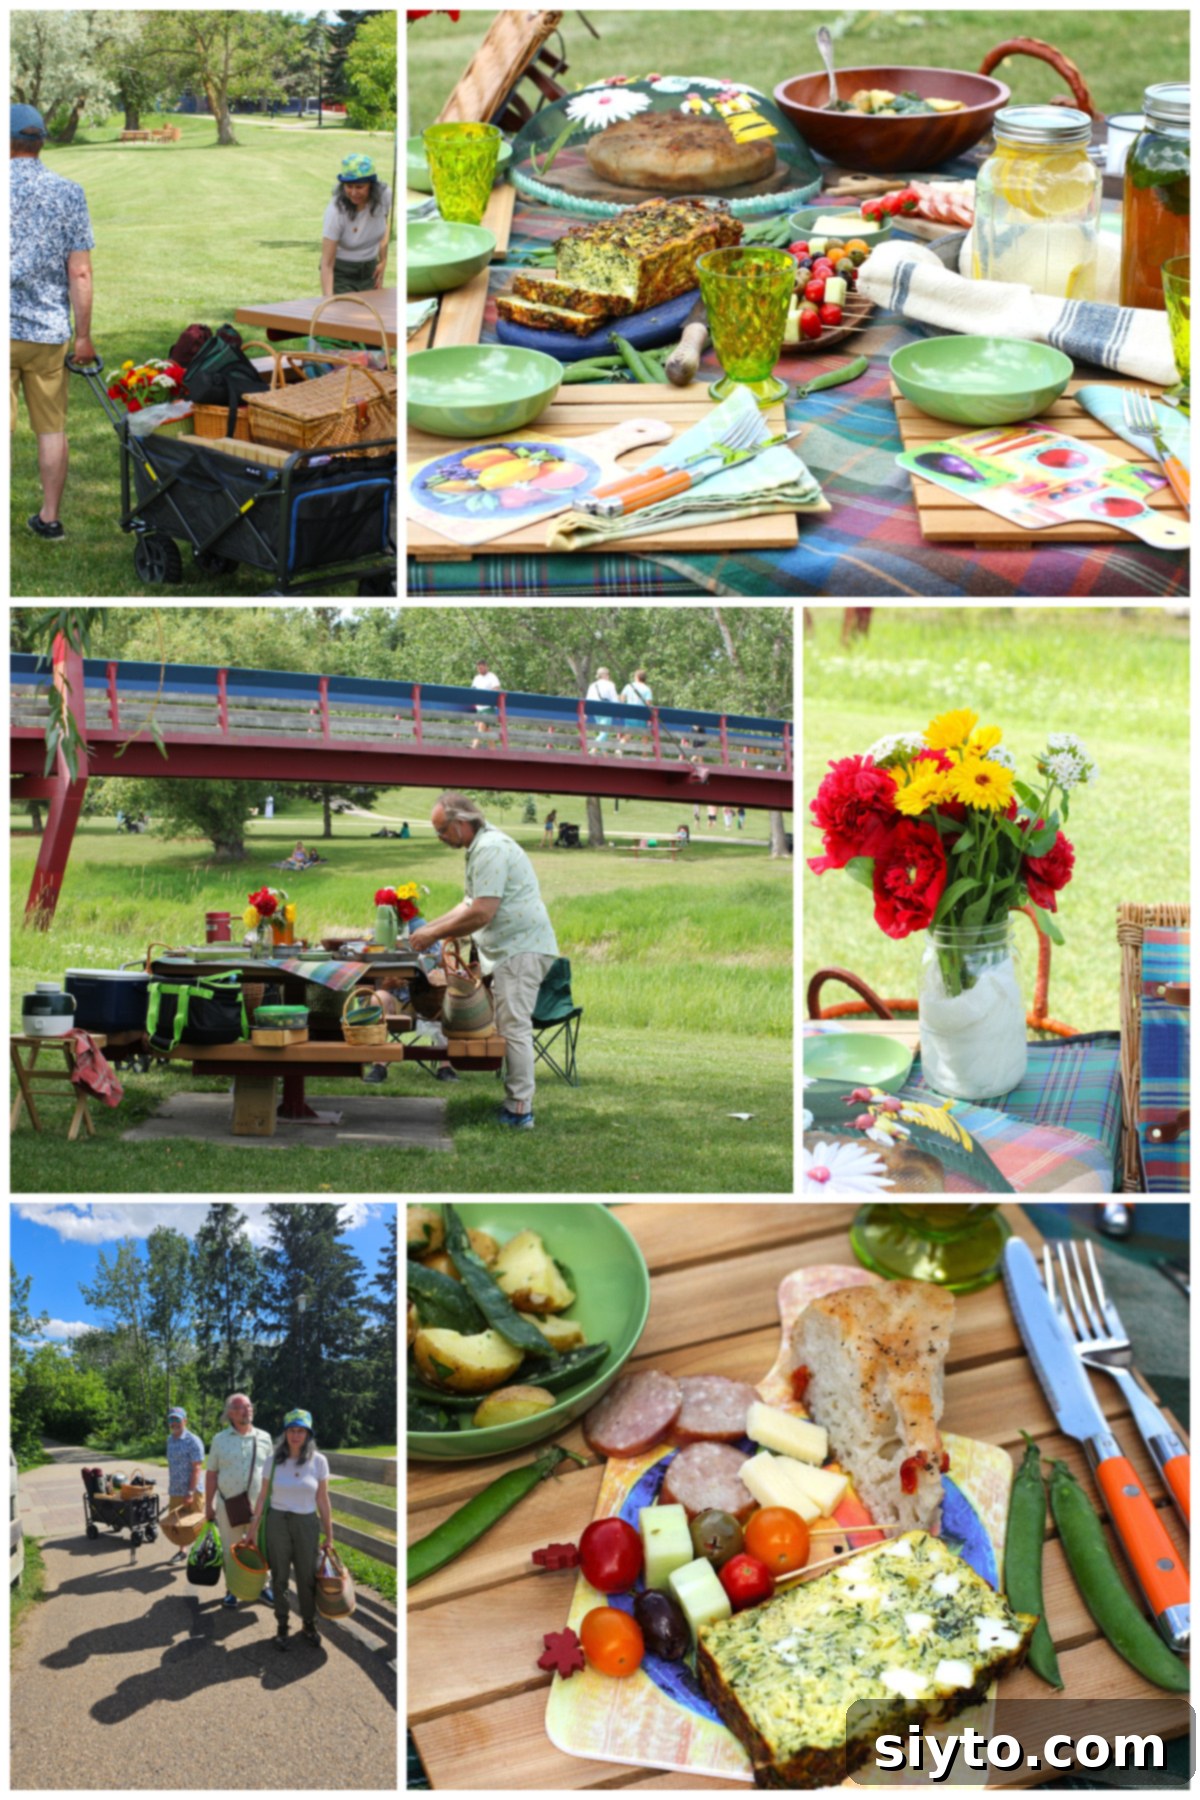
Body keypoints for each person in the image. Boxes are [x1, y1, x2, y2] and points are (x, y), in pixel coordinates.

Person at [409, 792, 558, 1130]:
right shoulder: (481, 847)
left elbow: (481, 913)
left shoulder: (490, 849)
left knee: (514, 1028)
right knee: (511, 1026)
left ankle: (519, 1111)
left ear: (461, 823)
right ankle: (516, 1105)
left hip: (520, 950)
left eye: (442, 830)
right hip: (513, 950)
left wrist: (433, 935)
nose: (439, 837)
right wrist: (429, 929)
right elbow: (467, 904)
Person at [10, 104, 96, 543]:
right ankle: (50, 519)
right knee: (51, 428)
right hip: (47, 333)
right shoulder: (69, 193)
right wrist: (83, 336)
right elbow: (79, 271)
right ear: (41, 141)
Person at [242, 1407, 334, 1652]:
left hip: (306, 1523)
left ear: (308, 1434)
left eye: (301, 1431)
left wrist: (329, 1535)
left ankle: (309, 1623)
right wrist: (252, 1530)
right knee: (280, 1576)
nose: (295, 1435)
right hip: (277, 1523)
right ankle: (282, 1624)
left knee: (306, 1577)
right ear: (285, 1433)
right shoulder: (273, 1461)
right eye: (291, 1430)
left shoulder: (318, 1461)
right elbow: (262, 1497)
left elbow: (323, 1499)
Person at [205, 1393, 275, 1610]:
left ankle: (263, 1586)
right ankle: (232, 1589)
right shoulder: (219, 1440)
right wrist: (208, 1505)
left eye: (249, 1406)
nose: (248, 1410)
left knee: (260, 1547)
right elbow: (211, 1474)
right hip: (229, 1505)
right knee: (230, 1548)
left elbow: (272, 1473)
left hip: (259, 1506)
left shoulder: (264, 1437)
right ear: (230, 1413)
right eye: (241, 1407)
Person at [319, 153, 392, 298]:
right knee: (346, 310)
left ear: (371, 185)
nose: (353, 192)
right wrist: (329, 300)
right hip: (342, 272)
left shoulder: (384, 196)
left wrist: (383, 260)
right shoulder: (336, 211)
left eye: (359, 187)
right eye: (349, 186)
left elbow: (384, 224)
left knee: (372, 311)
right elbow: (327, 263)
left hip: (370, 270)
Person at [164, 1407, 205, 1569]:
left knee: (196, 1524)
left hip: (192, 1491)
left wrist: (190, 1492)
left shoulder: (192, 1440)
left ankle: (201, 1553)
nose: (174, 1423)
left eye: (177, 1419)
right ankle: (182, 1551)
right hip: (175, 1490)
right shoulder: (169, 1440)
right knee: (178, 1525)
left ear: (185, 1421)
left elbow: (197, 1468)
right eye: (171, 1420)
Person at [618, 667, 652, 752]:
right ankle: (644, 755)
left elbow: (622, 698)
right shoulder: (647, 689)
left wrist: (623, 707)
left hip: (630, 713)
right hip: (641, 714)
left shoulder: (629, 686)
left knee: (629, 733)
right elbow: (648, 704)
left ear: (637, 677)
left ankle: (619, 748)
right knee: (644, 735)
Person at [586, 667, 620, 751]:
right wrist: (617, 711)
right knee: (605, 731)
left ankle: (604, 754)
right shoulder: (610, 684)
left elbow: (588, 699)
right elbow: (615, 699)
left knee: (602, 731)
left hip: (595, 709)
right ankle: (593, 749)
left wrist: (586, 712)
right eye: (608, 674)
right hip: (606, 709)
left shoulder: (593, 685)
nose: (609, 676)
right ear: (604, 675)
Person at [470, 658, 500, 747]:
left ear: (486, 667)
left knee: (482, 724)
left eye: (481, 668)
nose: (480, 670)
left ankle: (474, 747)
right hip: (479, 708)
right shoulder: (476, 678)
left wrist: (485, 699)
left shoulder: (492, 676)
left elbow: (496, 689)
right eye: (478, 668)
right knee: (486, 729)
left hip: (489, 707)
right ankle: (493, 750)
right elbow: (472, 691)